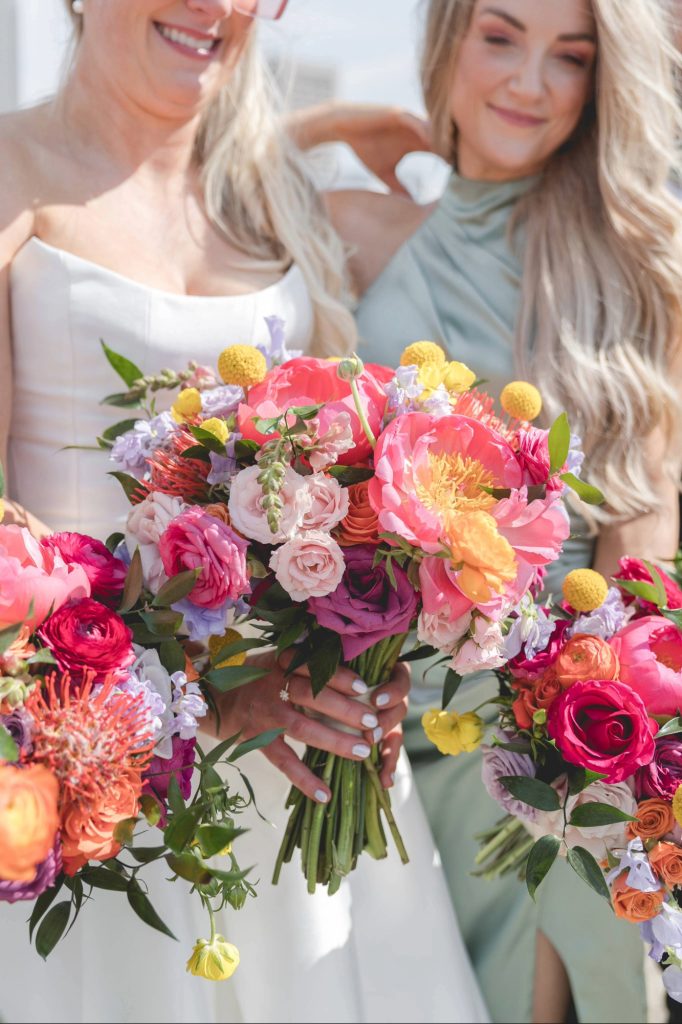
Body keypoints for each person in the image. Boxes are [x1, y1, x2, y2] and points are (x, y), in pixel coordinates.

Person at [0, 2, 488, 1022]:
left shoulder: (279, 205)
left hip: (305, 768)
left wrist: (365, 643)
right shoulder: (14, 176)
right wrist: (203, 700)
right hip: (99, 762)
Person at [301, 0, 682, 1020]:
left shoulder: (633, 264)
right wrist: (342, 124)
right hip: (385, 731)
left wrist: (604, 770)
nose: (528, 83)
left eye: (570, 57)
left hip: (556, 736)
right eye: (499, 37)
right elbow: (203, 181)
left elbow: (644, 559)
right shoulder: (356, 228)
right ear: (446, 41)